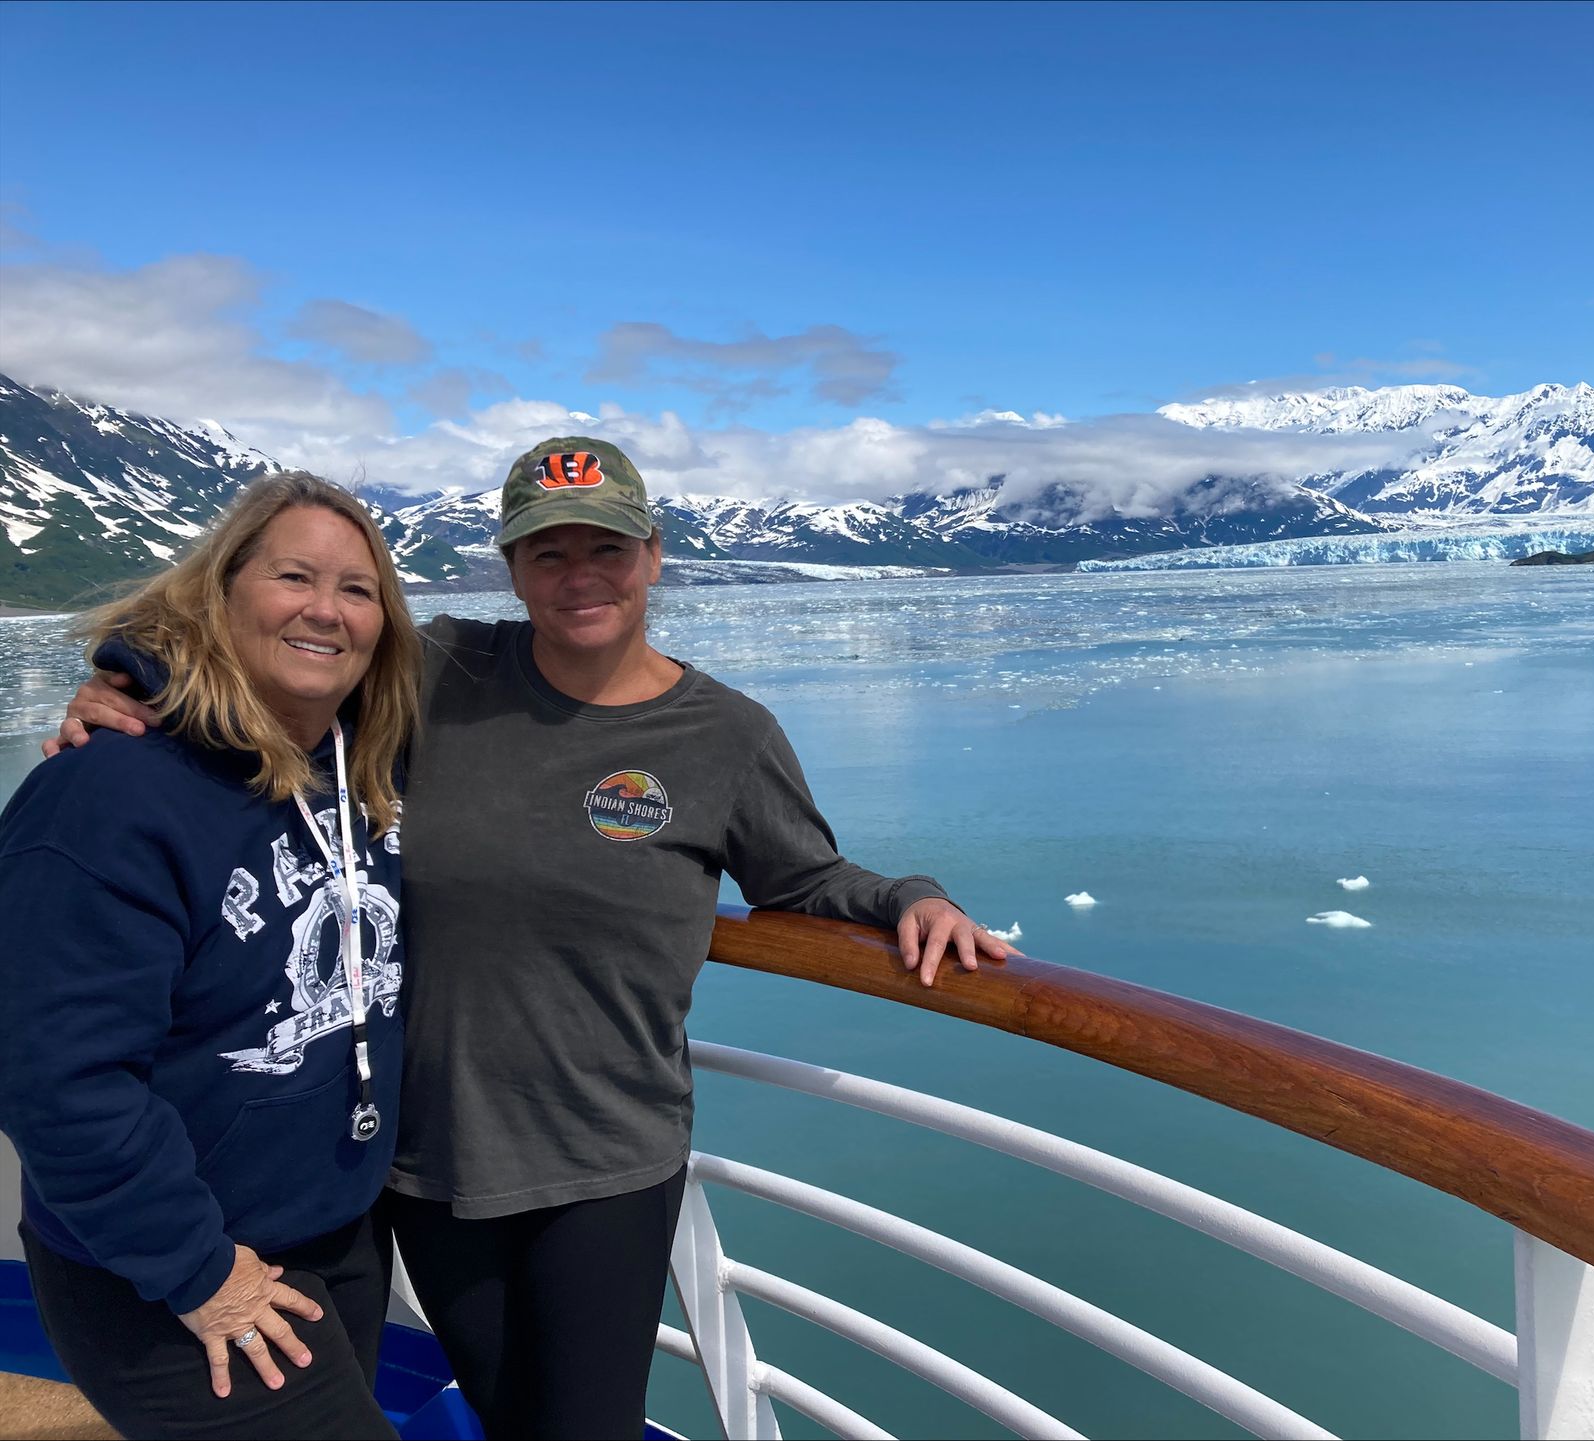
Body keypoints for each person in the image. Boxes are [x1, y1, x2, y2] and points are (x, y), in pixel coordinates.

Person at [54, 437, 1013, 1440]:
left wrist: (910, 894)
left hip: (603, 1156)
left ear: (652, 555)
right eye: (547, 554)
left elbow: (806, 876)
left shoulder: (724, 735)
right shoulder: (440, 669)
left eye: (605, 548)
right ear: (511, 570)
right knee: (511, 1416)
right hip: (426, 1163)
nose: (579, 577)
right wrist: (130, 687)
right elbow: (272, 642)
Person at [0, 473, 422, 1440]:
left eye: (359, 590)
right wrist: (200, 1270)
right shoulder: (107, 795)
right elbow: (53, 1077)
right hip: (166, 1272)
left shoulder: (364, 767)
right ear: (219, 591)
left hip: (332, 1234)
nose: (327, 609)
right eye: (294, 577)